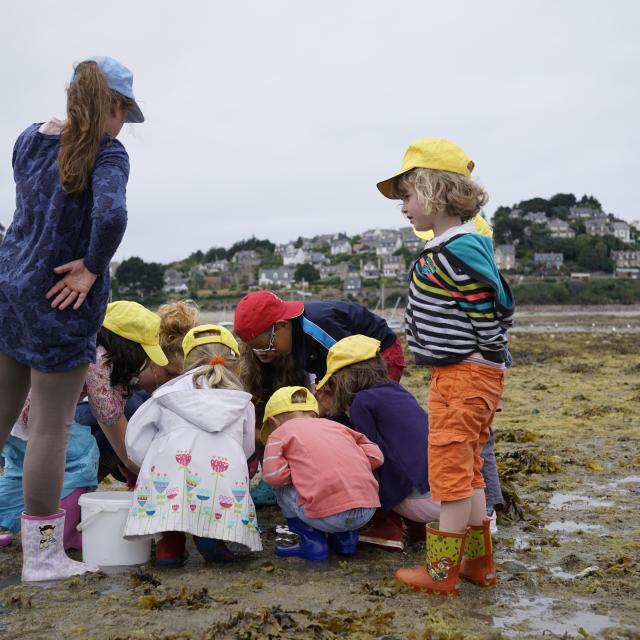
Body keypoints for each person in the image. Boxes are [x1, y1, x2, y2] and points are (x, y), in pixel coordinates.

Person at [0, 56, 144, 582]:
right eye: (125, 113)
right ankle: (41, 556)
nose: (123, 125)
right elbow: (111, 214)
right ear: (113, 105)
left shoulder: (28, 138)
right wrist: (91, 267)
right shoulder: (108, 154)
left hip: (10, 286)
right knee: (50, 432)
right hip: (61, 300)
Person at [376, 138, 514, 595]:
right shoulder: (450, 247)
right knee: (469, 470)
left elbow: (494, 307)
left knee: (450, 475)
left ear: (435, 191)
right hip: (458, 374)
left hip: (464, 375)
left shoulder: (460, 249)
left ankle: (440, 573)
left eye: (408, 196)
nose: (404, 207)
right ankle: (479, 565)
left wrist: (486, 356)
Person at [0, 300, 168, 550]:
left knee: (17, 474)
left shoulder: (86, 344)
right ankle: (64, 536)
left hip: (13, 417)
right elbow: (110, 420)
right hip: (35, 417)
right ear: (129, 348)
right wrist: (146, 471)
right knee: (81, 454)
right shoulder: (99, 361)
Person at [316, 335, 505, 551]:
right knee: (405, 457)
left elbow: (367, 456)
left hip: (424, 503)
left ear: (343, 378)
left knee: (359, 466)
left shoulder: (362, 403)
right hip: (455, 495)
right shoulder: (397, 391)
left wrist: (327, 416)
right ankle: (421, 529)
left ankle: (386, 529)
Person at [234, 290, 404, 504]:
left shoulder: (316, 327)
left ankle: (382, 504)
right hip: (341, 367)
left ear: (283, 325)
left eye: (267, 346)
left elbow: (355, 363)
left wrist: (335, 405)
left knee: (364, 422)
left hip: (377, 357)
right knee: (336, 422)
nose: (267, 354)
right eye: (255, 350)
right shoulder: (292, 338)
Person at [124, 325, 262, 566]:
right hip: (222, 475)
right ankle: (211, 538)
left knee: (169, 492)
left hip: (170, 472)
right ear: (235, 363)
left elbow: (135, 440)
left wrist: (151, 460)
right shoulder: (241, 401)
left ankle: (170, 546)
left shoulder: (168, 394)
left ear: (186, 362)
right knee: (215, 486)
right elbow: (248, 447)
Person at [261, 386, 383, 561]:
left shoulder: (280, 433)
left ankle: (312, 544)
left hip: (328, 516)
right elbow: (376, 456)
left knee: (280, 490)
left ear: (273, 422)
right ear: (314, 414)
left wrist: (301, 474)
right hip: (366, 511)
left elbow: (274, 477)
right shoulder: (337, 426)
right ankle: (345, 541)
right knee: (342, 487)